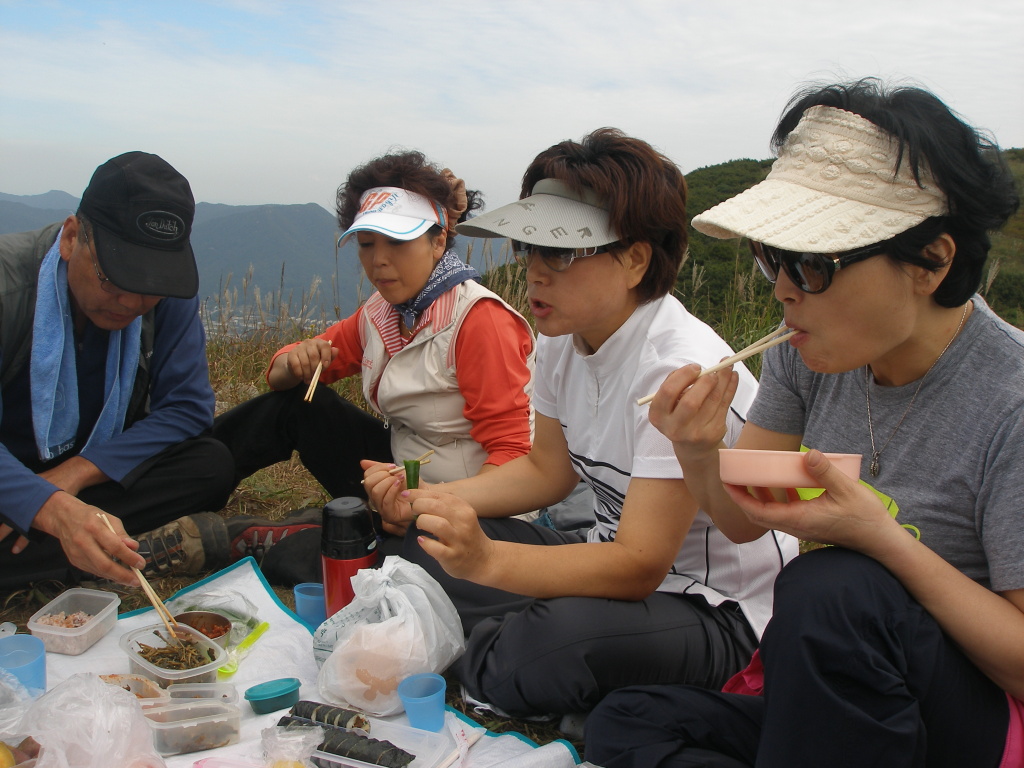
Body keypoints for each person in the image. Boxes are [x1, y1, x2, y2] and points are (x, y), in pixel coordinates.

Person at [584, 79, 1024, 768]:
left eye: (814, 264)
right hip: (841, 687)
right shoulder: (812, 349)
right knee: (628, 719)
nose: (785, 287)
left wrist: (881, 540)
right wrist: (699, 450)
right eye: (772, 258)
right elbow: (748, 519)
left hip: (977, 714)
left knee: (833, 590)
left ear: (932, 261)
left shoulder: (1011, 400)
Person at [364, 128, 797, 721]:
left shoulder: (674, 366)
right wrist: (428, 499)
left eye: (562, 252)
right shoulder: (561, 341)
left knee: (543, 645)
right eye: (529, 249)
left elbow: (641, 563)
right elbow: (548, 471)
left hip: (718, 606)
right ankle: (529, 653)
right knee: (426, 542)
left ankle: (506, 653)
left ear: (636, 259)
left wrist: (489, 562)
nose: (536, 273)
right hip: (614, 570)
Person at [170, 151, 536, 582]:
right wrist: (296, 360)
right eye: (367, 244)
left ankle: (272, 538)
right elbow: (282, 376)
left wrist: (426, 504)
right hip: (397, 475)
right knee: (296, 404)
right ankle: (176, 489)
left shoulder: (478, 322)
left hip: (471, 502)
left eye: (397, 242)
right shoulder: (381, 313)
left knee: (371, 566)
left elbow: (513, 457)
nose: (378, 260)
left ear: (438, 242)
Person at [0, 151, 236, 589]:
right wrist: (43, 502)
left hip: (88, 474)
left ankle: (66, 547)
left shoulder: (167, 293)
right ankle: (108, 549)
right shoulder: (9, 288)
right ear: (71, 238)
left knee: (210, 464)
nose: (131, 302)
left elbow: (187, 407)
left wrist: (75, 474)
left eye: (149, 286)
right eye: (114, 278)